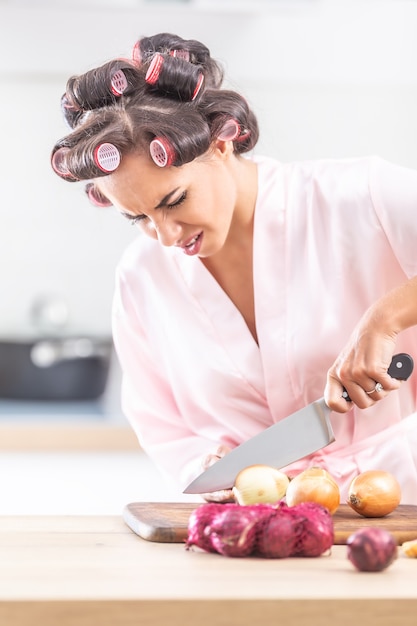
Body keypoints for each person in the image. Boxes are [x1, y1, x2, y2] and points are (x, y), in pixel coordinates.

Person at [50, 32, 417, 504]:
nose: (165, 236)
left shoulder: (362, 196)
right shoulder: (142, 277)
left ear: (221, 143)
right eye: (139, 218)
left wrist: (385, 320)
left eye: (175, 200)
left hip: (398, 509)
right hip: (252, 534)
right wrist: (203, 463)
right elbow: (160, 421)